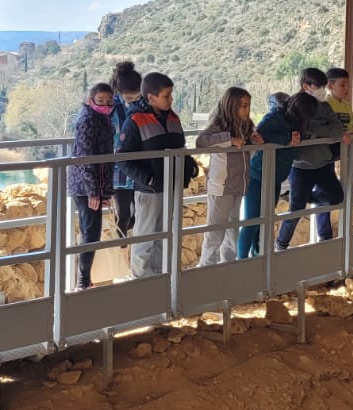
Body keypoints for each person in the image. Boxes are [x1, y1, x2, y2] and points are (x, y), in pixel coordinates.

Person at [116, 72, 195, 278]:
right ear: (151, 97)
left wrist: (189, 167)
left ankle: (162, 279)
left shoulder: (173, 118)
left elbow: (180, 147)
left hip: (171, 187)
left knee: (165, 236)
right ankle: (141, 282)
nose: (171, 99)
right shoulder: (135, 120)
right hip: (149, 191)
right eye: (166, 96)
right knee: (145, 239)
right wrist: (148, 179)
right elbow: (122, 158)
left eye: (171, 95)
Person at [195, 87, 261, 266]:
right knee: (215, 232)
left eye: (248, 106)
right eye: (244, 106)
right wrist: (229, 140)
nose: (247, 110)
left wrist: (254, 143)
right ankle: (206, 269)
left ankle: (228, 267)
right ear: (232, 106)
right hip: (221, 186)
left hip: (239, 184)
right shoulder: (218, 125)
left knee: (232, 230)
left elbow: (246, 154)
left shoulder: (246, 126)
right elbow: (201, 142)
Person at [278, 76, 345, 249]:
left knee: (336, 198)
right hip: (300, 166)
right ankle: (281, 244)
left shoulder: (324, 106)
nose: (322, 90)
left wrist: (313, 128)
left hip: (324, 163)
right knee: (296, 210)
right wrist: (323, 130)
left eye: (323, 86)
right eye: (318, 86)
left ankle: (306, 201)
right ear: (306, 86)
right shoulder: (294, 106)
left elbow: (338, 130)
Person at [66, 82, 115, 291]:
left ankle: (85, 280)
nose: (105, 105)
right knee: (90, 232)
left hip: (94, 184)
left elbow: (105, 158)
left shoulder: (103, 119)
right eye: (101, 101)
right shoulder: (87, 120)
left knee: (92, 231)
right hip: (85, 185)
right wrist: (93, 191)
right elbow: (85, 159)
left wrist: (104, 190)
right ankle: (83, 282)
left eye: (109, 101)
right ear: (91, 100)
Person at [239, 92, 298, 259]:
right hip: (259, 174)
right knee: (252, 220)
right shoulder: (274, 117)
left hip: (276, 175)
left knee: (265, 219)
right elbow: (260, 135)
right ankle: (242, 260)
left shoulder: (293, 119)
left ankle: (258, 256)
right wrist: (287, 139)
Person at [108, 60, 143, 239]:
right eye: (130, 98)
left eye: (137, 97)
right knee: (122, 217)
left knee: (138, 215)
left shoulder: (143, 104)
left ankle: (132, 248)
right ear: (120, 92)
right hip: (118, 170)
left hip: (138, 169)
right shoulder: (111, 108)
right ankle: (121, 249)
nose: (134, 101)